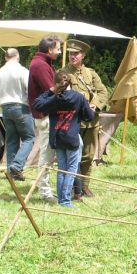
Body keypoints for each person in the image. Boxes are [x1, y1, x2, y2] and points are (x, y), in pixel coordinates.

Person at [33, 71, 95, 208]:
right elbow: (89, 117)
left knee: (62, 169)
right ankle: (65, 200)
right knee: (70, 170)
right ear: (70, 83)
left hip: (57, 138)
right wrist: (91, 109)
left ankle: (62, 199)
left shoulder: (54, 99)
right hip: (72, 138)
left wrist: (51, 91)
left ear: (56, 84)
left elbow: (37, 104)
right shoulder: (79, 97)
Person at [61, 39, 108, 198]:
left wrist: (94, 104)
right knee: (72, 155)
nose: (72, 56)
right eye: (70, 54)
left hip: (91, 121)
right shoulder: (63, 73)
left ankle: (85, 185)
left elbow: (103, 92)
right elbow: (59, 95)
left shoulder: (91, 73)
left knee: (88, 155)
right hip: (72, 121)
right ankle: (74, 187)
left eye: (76, 54)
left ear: (83, 56)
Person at [0, 48, 35, 180]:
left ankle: (11, 172)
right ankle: (16, 165)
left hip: (5, 109)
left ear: (5, 58)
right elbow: (30, 91)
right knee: (29, 138)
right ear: (18, 56)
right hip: (21, 107)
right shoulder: (22, 71)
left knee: (11, 141)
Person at [28, 36, 62, 202]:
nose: (60, 51)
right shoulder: (40, 65)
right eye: (58, 48)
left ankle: (47, 190)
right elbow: (53, 90)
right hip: (45, 116)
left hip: (47, 115)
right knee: (46, 157)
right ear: (50, 50)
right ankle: (45, 193)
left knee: (48, 155)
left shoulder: (42, 63)